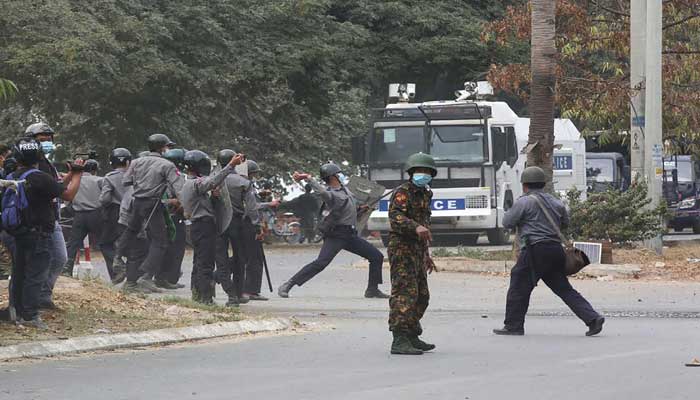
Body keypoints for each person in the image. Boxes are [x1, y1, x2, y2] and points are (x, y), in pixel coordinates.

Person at [493, 166, 605, 336]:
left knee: (519, 285)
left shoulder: (524, 201)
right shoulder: (556, 202)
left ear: (524, 185)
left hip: (535, 250)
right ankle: (592, 318)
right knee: (563, 288)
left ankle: (513, 325)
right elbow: (565, 223)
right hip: (555, 250)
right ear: (543, 184)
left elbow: (507, 222)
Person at [277, 163, 388, 299]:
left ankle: (372, 289)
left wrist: (360, 209)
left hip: (350, 235)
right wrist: (308, 178)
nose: (341, 175)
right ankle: (288, 284)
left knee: (376, 256)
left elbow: (347, 210)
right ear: (333, 176)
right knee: (321, 263)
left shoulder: (345, 191)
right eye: (338, 173)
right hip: (336, 235)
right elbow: (322, 192)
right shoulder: (331, 194)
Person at [7, 138, 83, 329]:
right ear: (39, 155)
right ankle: (30, 316)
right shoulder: (39, 177)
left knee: (20, 272)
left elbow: (54, 188)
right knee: (36, 274)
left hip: (19, 232)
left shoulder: (14, 175)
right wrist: (79, 174)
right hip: (38, 234)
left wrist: (69, 175)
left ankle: (15, 310)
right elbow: (67, 194)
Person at [387, 153, 438, 355]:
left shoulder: (426, 194)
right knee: (404, 293)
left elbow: (425, 226)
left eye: (427, 171)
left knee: (422, 295)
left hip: (417, 249)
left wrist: (426, 255)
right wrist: (415, 227)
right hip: (401, 247)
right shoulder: (402, 193)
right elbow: (395, 217)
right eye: (419, 171)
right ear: (411, 173)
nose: (423, 174)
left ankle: (411, 334)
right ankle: (399, 338)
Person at [121, 134, 184, 292]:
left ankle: (122, 267)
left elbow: (125, 181)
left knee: (137, 240)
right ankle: (146, 277)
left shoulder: (136, 162)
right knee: (160, 242)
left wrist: (142, 182)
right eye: (167, 147)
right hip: (154, 204)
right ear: (163, 148)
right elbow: (180, 190)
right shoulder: (167, 164)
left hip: (137, 204)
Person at [180, 150, 243, 304]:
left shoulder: (190, 184)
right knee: (206, 265)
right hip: (203, 227)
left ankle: (197, 295)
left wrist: (214, 198)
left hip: (199, 226)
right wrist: (230, 166)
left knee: (199, 263)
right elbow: (213, 182)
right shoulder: (195, 183)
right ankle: (206, 299)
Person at [24, 123, 70, 310]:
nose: (47, 143)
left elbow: (56, 187)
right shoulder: (34, 165)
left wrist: (69, 176)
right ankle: (34, 301)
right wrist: (75, 177)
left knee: (59, 258)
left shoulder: (47, 162)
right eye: (42, 140)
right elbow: (63, 193)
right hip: (39, 220)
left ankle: (43, 295)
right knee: (49, 259)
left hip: (52, 217)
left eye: (49, 139)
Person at [214, 149, 252, 307]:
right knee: (239, 259)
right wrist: (255, 224)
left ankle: (231, 295)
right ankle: (238, 291)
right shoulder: (243, 182)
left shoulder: (213, 179)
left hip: (217, 222)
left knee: (221, 260)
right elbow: (251, 207)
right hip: (237, 222)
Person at [241, 160, 279, 302]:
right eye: (254, 173)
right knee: (255, 259)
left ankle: (218, 276)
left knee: (246, 257)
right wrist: (270, 204)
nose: (255, 176)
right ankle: (251, 290)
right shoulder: (246, 185)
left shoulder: (243, 184)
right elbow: (251, 207)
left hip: (245, 224)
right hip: (250, 224)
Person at [64, 159, 104, 277]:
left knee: (73, 244)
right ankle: (115, 271)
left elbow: (67, 200)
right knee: (106, 244)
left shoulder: (75, 181)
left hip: (79, 216)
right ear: (94, 170)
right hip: (96, 214)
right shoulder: (100, 180)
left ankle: (66, 270)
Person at [156, 148, 188, 289]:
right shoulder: (170, 177)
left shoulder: (177, 176)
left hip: (176, 215)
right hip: (170, 217)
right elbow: (159, 200)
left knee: (177, 249)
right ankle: (165, 278)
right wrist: (173, 202)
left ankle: (170, 277)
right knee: (172, 249)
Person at [99, 148, 132, 284]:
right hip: (134, 211)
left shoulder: (110, 177)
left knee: (105, 244)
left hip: (115, 213)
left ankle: (117, 271)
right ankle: (134, 276)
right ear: (128, 161)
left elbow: (105, 199)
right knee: (132, 244)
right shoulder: (134, 176)